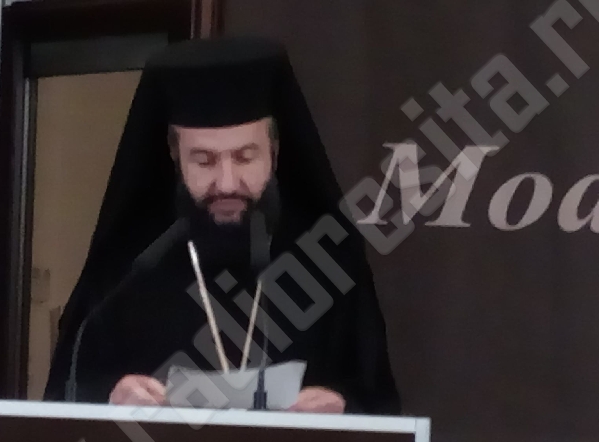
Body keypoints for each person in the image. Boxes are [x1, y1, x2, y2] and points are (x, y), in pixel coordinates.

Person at [44, 36, 400, 415]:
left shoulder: (328, 262)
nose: (227, 183)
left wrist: (342, 407)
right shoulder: (129, 267)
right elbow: (65, 398)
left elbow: (379, 402)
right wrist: (111, 396)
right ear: (175, 156)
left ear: (274, 152)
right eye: (204, 161)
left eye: (245, 157)